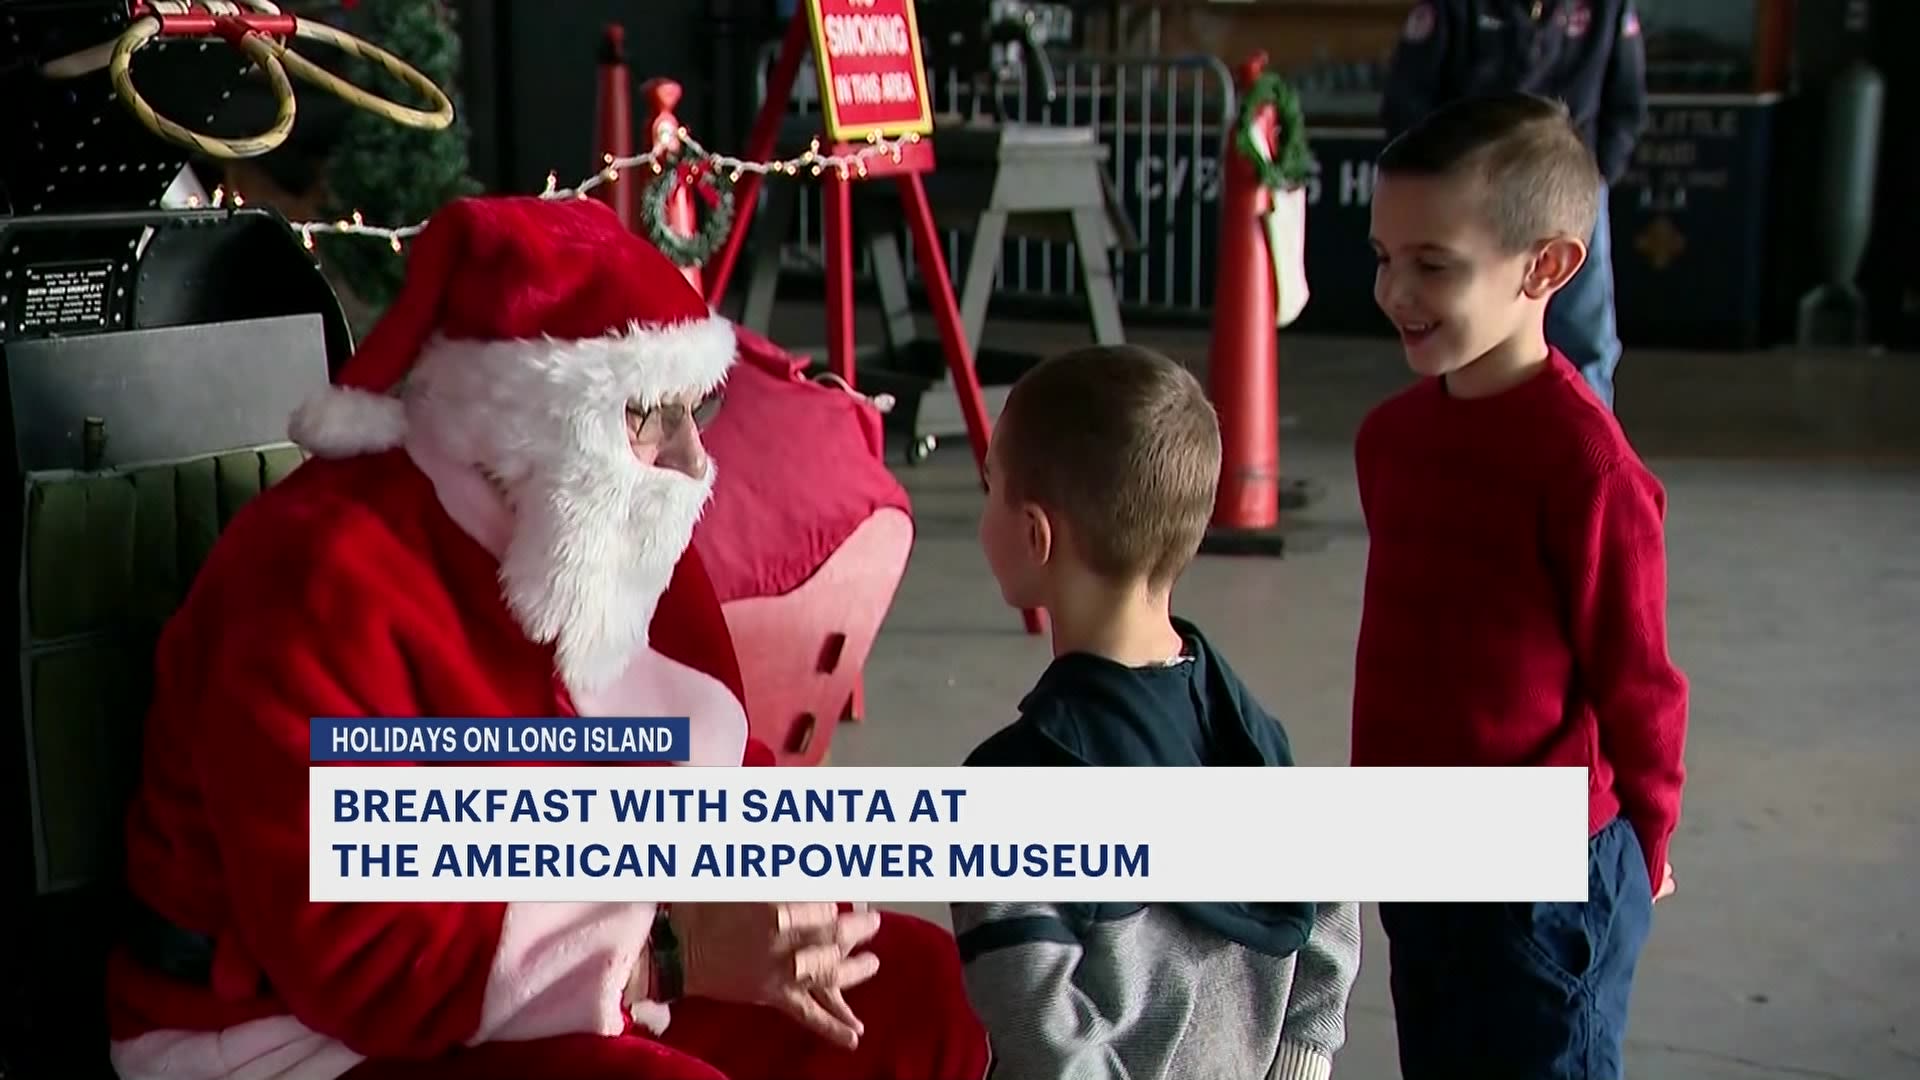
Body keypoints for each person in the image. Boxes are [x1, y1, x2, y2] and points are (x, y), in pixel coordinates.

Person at [105, 195, 990, 1080]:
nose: (691, 461)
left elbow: (709, 769)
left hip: (589, 951)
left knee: (916, 993)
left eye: (697, 411)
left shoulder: (607, 525)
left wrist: (790, 889)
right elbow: (356, 956)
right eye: (651, 415)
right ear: (527, 419)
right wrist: (673, 958)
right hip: (297, 1035)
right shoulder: (314, 574)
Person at [1357, 93, 1688, 1079]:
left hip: (1547, 879)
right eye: (1383, 257)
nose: (1393, 291)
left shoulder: (1585, 467)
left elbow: (1640, 684)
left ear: (1546, 267)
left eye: (1433, 266)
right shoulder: (1392, 440)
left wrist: (1651, 841)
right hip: (1420, 854)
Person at [952, 345, 1362, 1080]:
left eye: (990, 489)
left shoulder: (1011, 788)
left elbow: (1043, 1035)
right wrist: (1302, 1059)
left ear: (1035, 534)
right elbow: (1328, 906)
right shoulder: (1247, 729)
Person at [1381, 0, 1647, 409]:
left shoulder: (1606, 8)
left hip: (1569, 199)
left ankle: (1575, 441)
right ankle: (1468, 440)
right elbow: (1407, 100)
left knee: (1585, 341)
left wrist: (1591, 178)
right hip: (1469, 206)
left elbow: (1626, 104)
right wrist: (1443, 188)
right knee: (1464, 327)